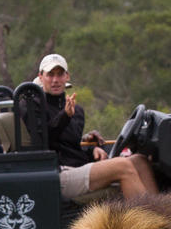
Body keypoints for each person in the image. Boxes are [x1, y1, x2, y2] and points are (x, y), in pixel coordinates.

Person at [25, 53, 158, 200]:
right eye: (50, 74)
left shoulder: (77, 111)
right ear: (41, 76)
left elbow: (71, 145)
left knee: (140, 160)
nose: (55, 80)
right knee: (122, 166)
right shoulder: (32, 105)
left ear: (67, 76)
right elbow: (44, 140)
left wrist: (90, 148)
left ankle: (164, 218)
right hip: (54, 173)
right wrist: (64, 117)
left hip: (77, 168)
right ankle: (148, 221)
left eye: (60, 74)